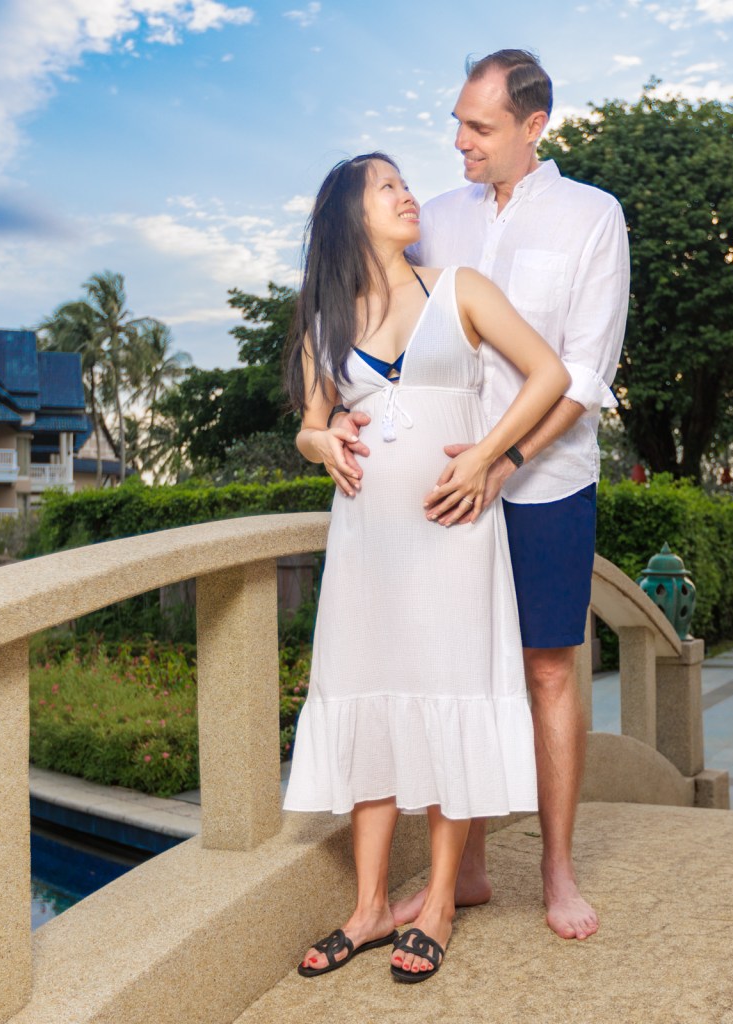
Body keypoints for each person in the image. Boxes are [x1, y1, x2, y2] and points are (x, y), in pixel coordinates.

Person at [342, 50, 629, 941]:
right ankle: (457, 873)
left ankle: (555, 866)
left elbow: (585, 373)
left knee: (546, 667)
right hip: (438, 489)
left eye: (480, 127)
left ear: (532, 128)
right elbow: (384, 323)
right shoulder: (436, 220)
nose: (459, 142)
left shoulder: (592, 217)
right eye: (459, 122)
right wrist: (332, 423)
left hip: (543, 481)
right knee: (446, 670)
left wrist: (501, 462)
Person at [281, 152, 569, 983]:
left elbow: (550, 374)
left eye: (406, 182)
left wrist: (488, 453)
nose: (408, 194)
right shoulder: (324, 320)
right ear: (347, 214)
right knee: (371, 696)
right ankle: (371, 907)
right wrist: (321, 439)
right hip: (368, 544)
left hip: (453, 533)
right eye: (386, 186)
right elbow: (310, 422)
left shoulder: (462, 288)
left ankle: (439, 902)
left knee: (449, 696)